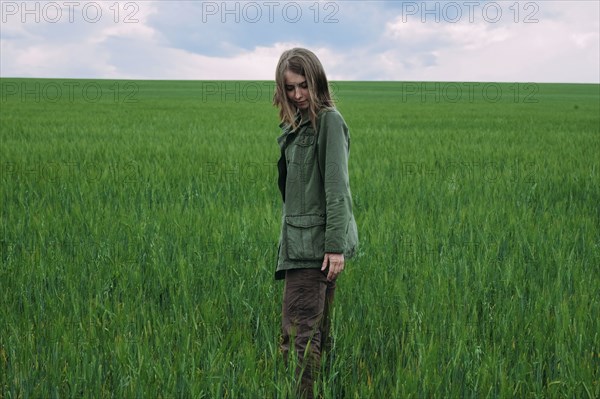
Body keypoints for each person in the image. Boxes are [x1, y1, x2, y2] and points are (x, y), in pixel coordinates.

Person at [273, 47, 359, 399]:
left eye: (303, 86)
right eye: (290, 88)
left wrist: (335, 247)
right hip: (299, 243)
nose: (297, 95)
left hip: (315, 250)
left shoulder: (328, 122)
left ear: (317, 81)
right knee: (310, 331)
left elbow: (337, 189)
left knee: (299, 336)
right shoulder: (297, 125)